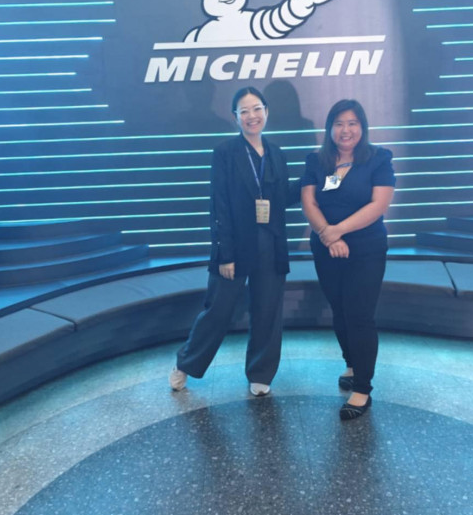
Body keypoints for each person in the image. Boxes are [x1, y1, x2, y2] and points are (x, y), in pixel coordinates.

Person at [169, 86, 295, 396]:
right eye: (245, 111)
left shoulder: (277, 153)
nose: (252, 116)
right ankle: (186, 363)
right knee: (218, 310)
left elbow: (282, 198)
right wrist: (225, 253)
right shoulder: (225, 153)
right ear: (235, 117)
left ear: (267, 111)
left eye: (257, 109)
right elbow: (220, 206)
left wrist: (322, 178)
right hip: (235, 247)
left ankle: (261, 372)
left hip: (271, 244)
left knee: (268, 311)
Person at [300, 99, 395, 420]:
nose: (346, 130)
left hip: (366, 248)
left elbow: (378, 205)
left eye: (352, 123)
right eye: (339, 123)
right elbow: (309, 202)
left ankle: (363, 390)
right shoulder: (316, 160)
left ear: (362, 127)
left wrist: (336, 231)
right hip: (326, 248)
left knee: (359, 315)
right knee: (339, 310)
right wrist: (327, 235)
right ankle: (352, 364)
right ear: (330, 128)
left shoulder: (379, 158)